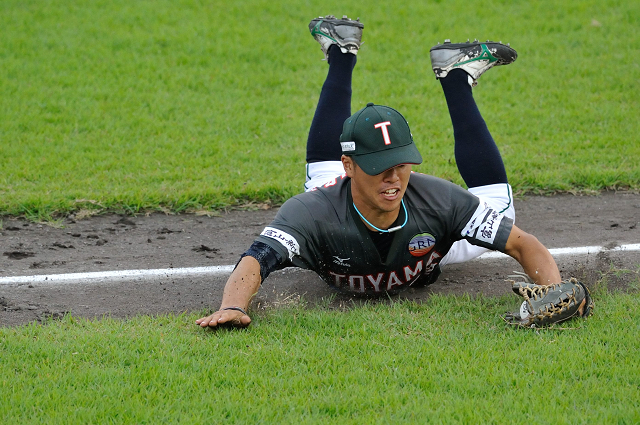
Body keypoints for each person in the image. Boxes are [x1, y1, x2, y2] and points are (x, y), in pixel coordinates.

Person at [196, 15, 562, 329]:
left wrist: (552, 295)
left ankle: (456, 76)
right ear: (351, 166)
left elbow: (522, 243)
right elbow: (257, 259)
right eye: (378, 168)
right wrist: (233, 307)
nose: (393, 178)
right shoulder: (311, 213)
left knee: (502, 212)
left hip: (432, 239)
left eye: (401, 166)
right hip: (339, 209)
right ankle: (341, 53)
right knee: (322, 179)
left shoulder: (440, 202)